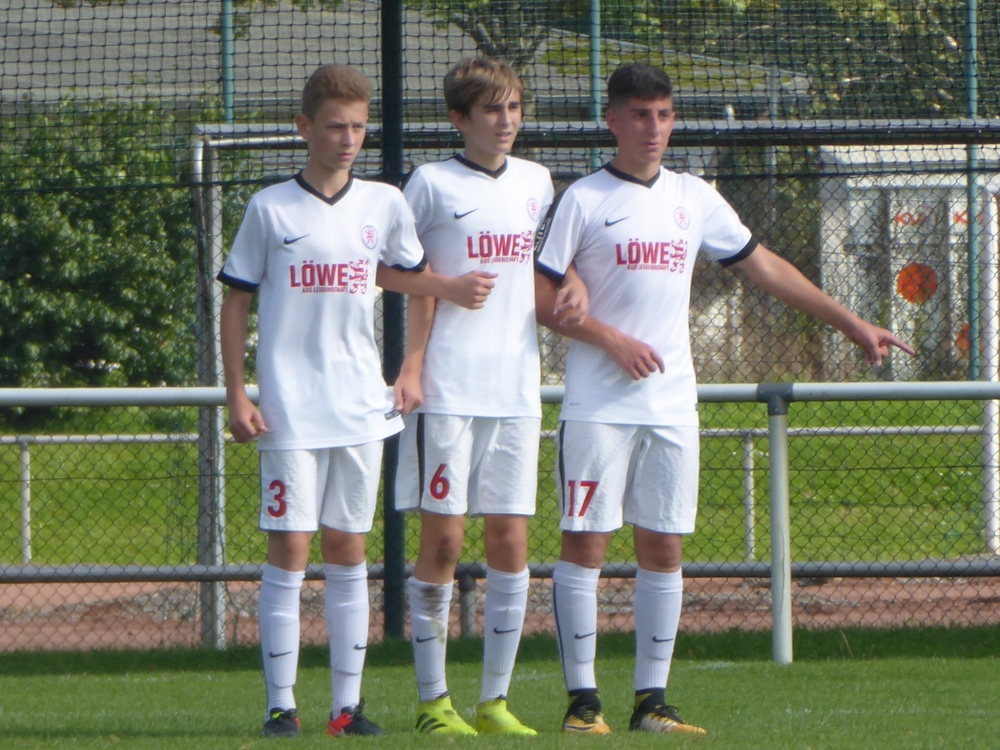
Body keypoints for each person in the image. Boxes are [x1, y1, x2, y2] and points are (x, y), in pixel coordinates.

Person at [534, 63, 913, 735]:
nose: (654, 128)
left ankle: (652, 702)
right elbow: (541, 300)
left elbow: (764, 266)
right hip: (598, 406)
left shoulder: (695, 196)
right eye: (640, 115)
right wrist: (610, 339)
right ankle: (582, 703)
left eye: (664, 115)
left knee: (664, 548)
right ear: (613, 121)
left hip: (672, 404)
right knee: (585, 545)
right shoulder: (584, 199)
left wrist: (851, 322)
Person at [218, 64, 493, 739]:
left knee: (348, 549)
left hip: (360, 409)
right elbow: (235, 301)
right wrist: (237, 393)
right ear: (304, 127)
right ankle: (281, 706)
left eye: (359, 128)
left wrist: (412, 364)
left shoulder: (383, 203)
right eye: (335, 126)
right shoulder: (269, 208)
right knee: (290, 548)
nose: (348, 139)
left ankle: (347, 708)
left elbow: (413, 279)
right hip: (287, 410)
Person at [384, 57, 587, 737]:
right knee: (443, 541)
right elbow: (385, 269)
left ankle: (495, 702)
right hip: (446, 389)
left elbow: (546, 262)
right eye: (492, 109)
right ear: (459, 118)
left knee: (510, 540)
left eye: (515, 108)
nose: (506, 121)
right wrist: (420, 346)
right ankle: (433, 702)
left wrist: (573, 281)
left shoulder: (536, 181)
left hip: (517, 390)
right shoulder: (429, 184)